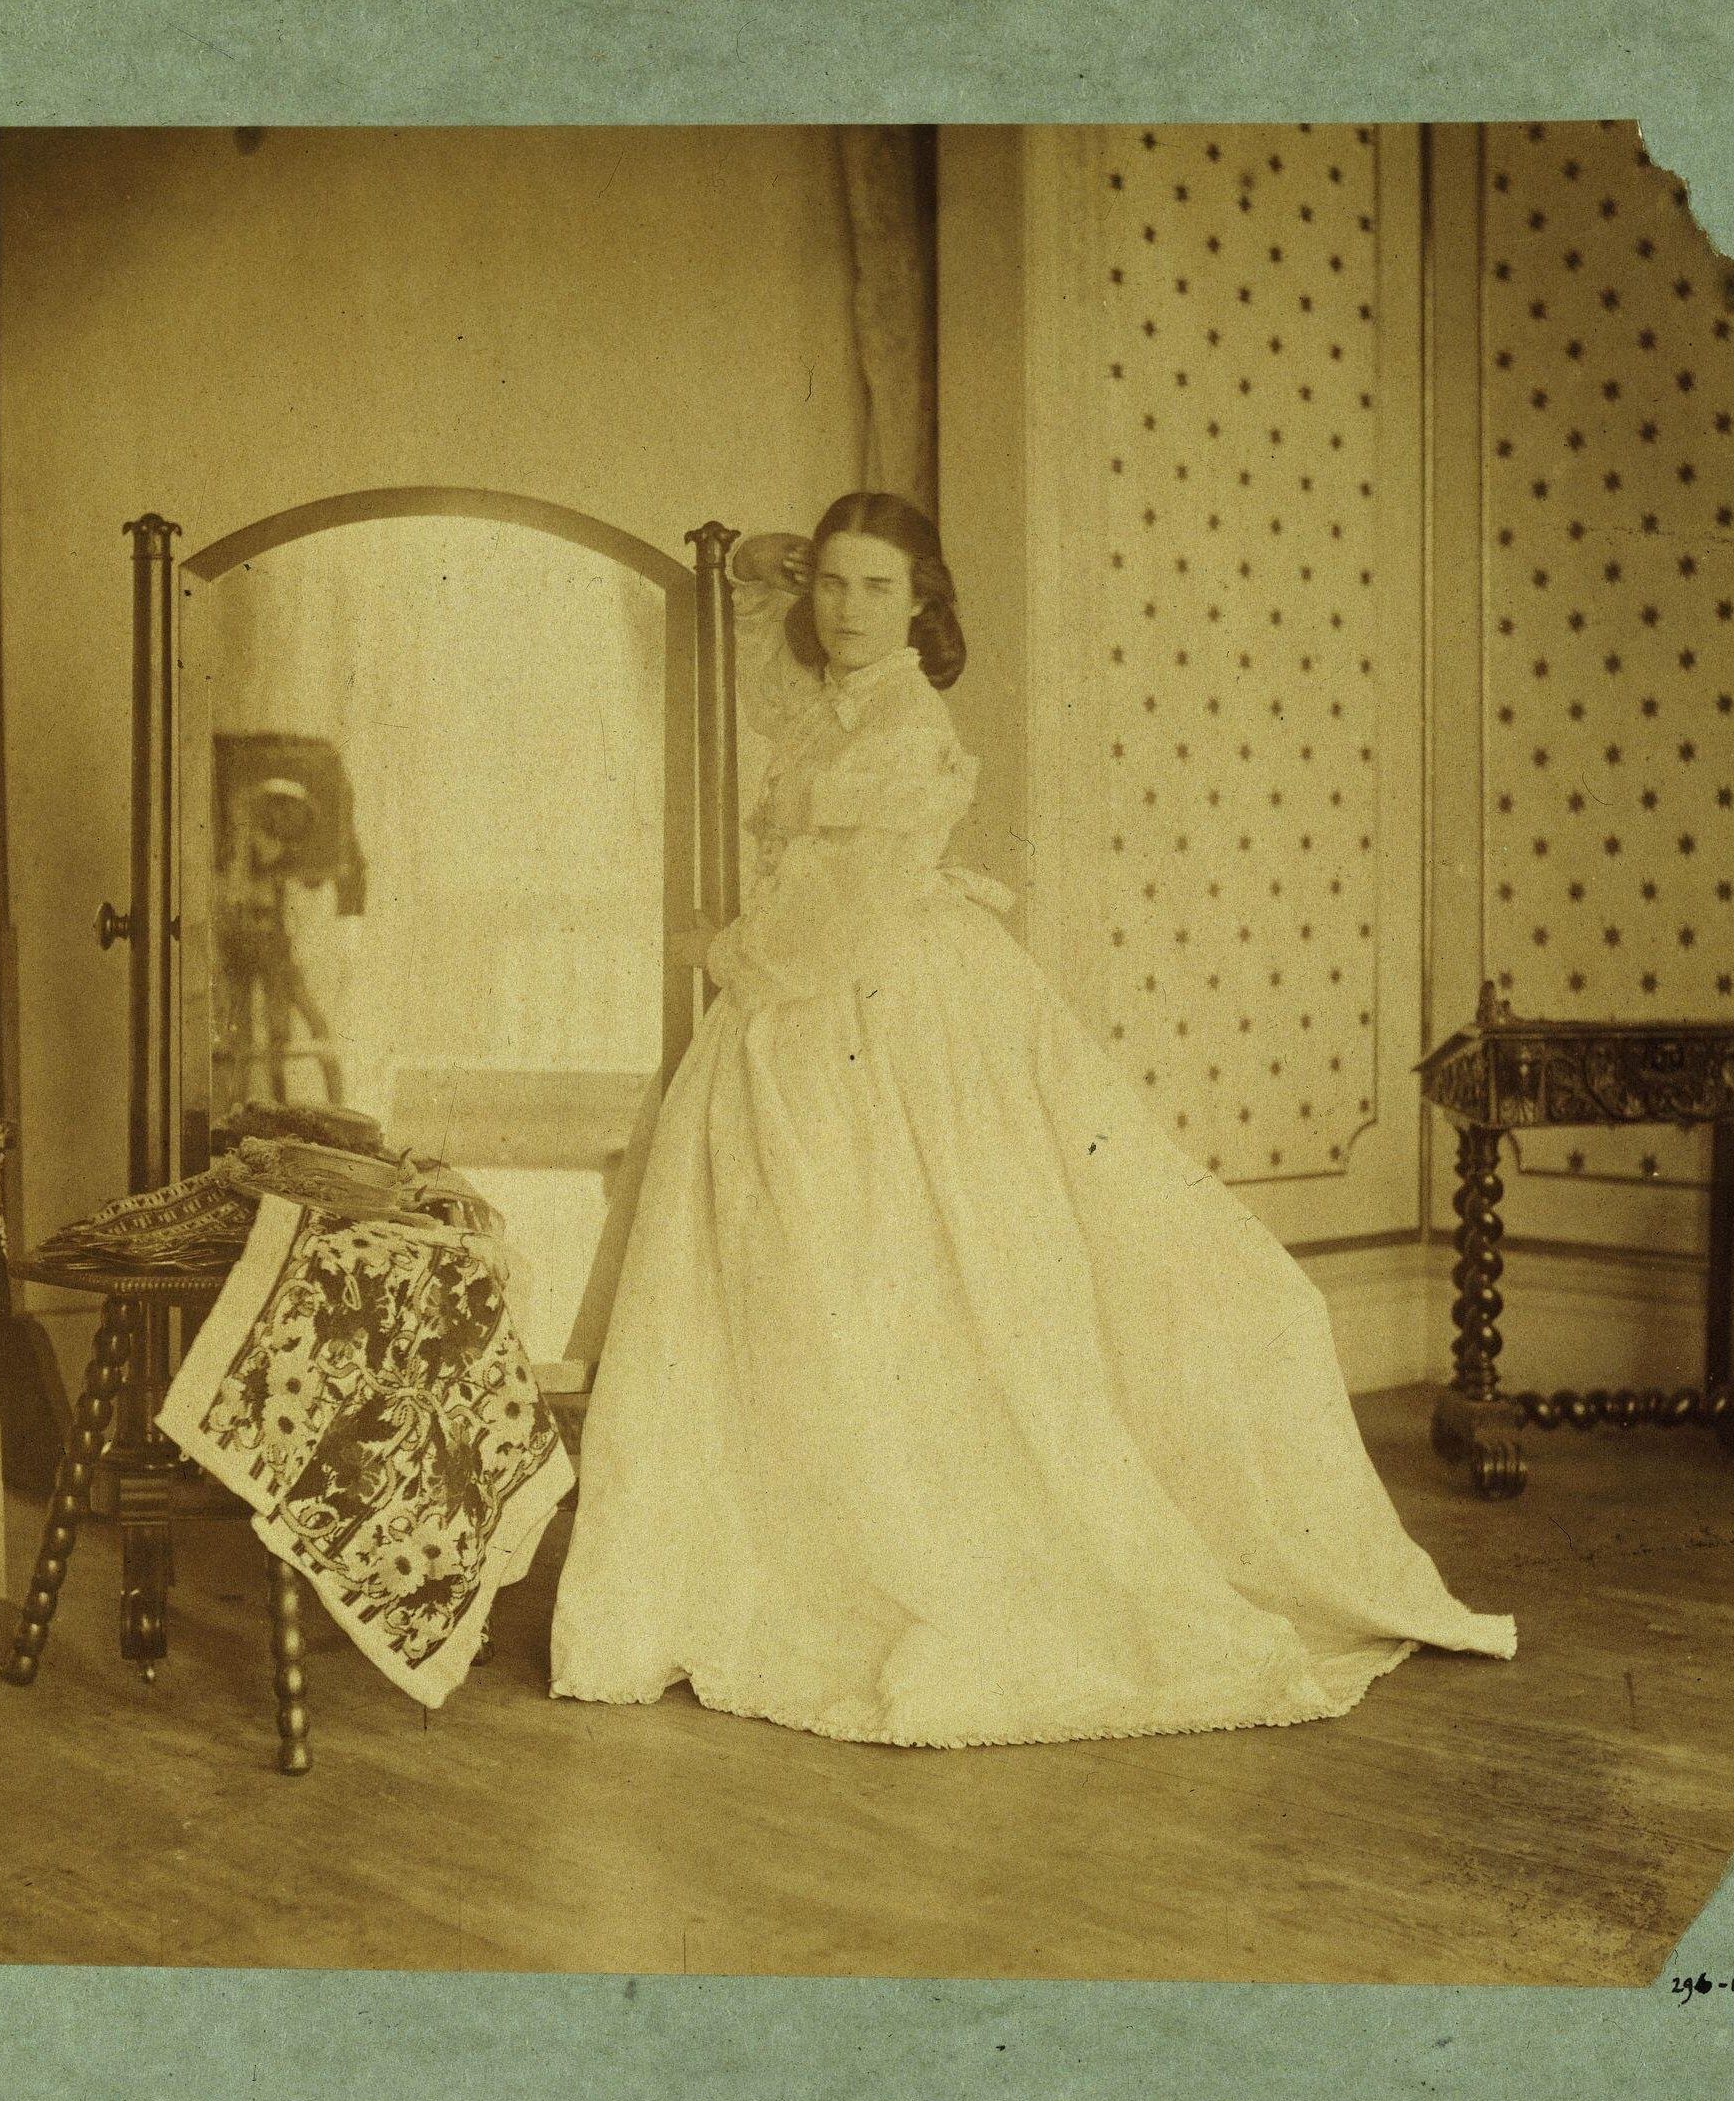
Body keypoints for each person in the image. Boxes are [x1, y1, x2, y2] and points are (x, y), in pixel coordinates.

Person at [547, 491, 1515, 1750]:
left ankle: (899, 1553)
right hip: (812, 1004)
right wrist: (762, 574)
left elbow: (842, 911)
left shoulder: (909, 723)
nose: (847, 611)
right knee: (807, 1283)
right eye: (831, 584)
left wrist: (722, 952)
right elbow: (733, 680)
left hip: (867, 997)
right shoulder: (833, 700)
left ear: (923, 603)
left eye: (876, 589)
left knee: (911, 1278)